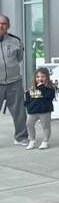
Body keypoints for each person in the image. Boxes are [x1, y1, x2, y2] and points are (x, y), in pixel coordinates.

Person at [0, 14, 29, 146]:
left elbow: (19, 58)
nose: (1, 26)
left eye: (3, 24)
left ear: (8, 26)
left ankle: (21, 137)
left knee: (20, 112)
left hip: (14, 82)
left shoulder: (16, 41)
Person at [24, 67, 56, 150]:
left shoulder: (50, 88)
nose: (40, 78)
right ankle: (32, 140)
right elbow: (28, 99)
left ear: (47, 78)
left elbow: (49, 96)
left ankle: (45, 141)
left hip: (44, 111)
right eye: (38, 77)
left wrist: (42, 88)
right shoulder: (31, 88)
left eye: (43, 76)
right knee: (29, 124)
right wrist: (27, 105)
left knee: (45, 126)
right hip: (32, 111)